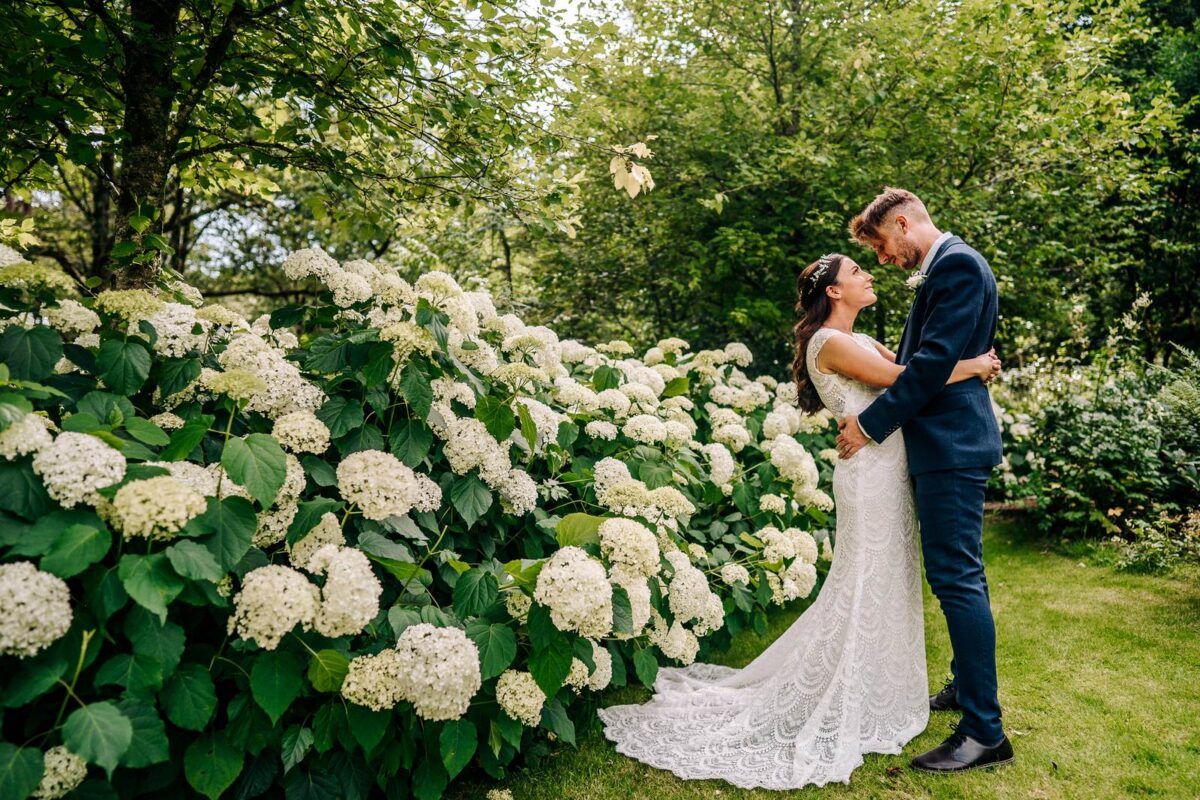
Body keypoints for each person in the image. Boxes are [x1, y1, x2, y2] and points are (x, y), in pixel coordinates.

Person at [595, 246, 1001, 789]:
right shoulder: (828, 342)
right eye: (857, 271)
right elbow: (904, 377)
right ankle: (849, 691)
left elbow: (911, 373)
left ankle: (880, 684)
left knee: (887, 581)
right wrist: (974, 365)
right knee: (862, 582)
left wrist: (953, 368)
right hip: (870, 475)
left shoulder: (856, 338)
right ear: (833, 290)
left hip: (889, 468)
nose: (869, 273)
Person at [836, 186, 1013, 773]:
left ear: (905, 223)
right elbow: (926, 358)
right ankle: (966, 688)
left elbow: (933, 364)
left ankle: (985, 732)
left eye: (885, 246)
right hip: (948, 441)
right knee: (965, 575)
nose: (886, 260)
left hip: (952, 445)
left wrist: (871, 425)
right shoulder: (948, 265)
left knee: (956, 579)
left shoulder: (957, 265)